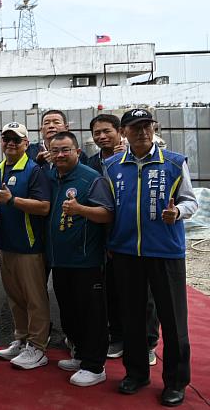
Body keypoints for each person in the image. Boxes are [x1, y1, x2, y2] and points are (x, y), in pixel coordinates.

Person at [105, 108, 198, 407]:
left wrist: (178, 212)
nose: (142, 132)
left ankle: (175, 381)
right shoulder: (111, 167)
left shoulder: (173, 162)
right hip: (126, 252)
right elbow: (108, 209)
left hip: (165, 252)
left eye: (147, 126)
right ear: (124, 133)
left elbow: (190, 201)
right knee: (131, 317)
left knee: (173, 321)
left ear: (153, 129)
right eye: (135, 128)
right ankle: (136, 374)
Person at [89, 114, 160, 361]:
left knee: (147, 294)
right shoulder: (91, 163)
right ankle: (117, 336)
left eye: (106, 131)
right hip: (110, 239)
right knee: (115, 291)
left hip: (144, 239)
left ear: (120, 132)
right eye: (97, 133)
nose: (102, 136)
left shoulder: (144, 157)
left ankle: (149, 343)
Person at [46, 132, 114, 387]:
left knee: (92, 314)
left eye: (65, 150)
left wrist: (80, 210)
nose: (60, 155)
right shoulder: (52, 176)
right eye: (55, 150)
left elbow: (107, 214)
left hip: (86, 260)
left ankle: (95, 366)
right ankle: (80, 354)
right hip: (60, 260)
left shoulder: (91, 179)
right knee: (70, 311)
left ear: (76, 151)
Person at [0, 122, 52, 370]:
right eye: (6, 139)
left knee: (34, 298)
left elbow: (44, 206)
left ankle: (38, 347)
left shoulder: (34, 170)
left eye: (17, 139)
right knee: (14, 297)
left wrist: (13, 200)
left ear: (27, 144)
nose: (11, 143)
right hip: (5, 245)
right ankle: (21, 338)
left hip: (29, 247)